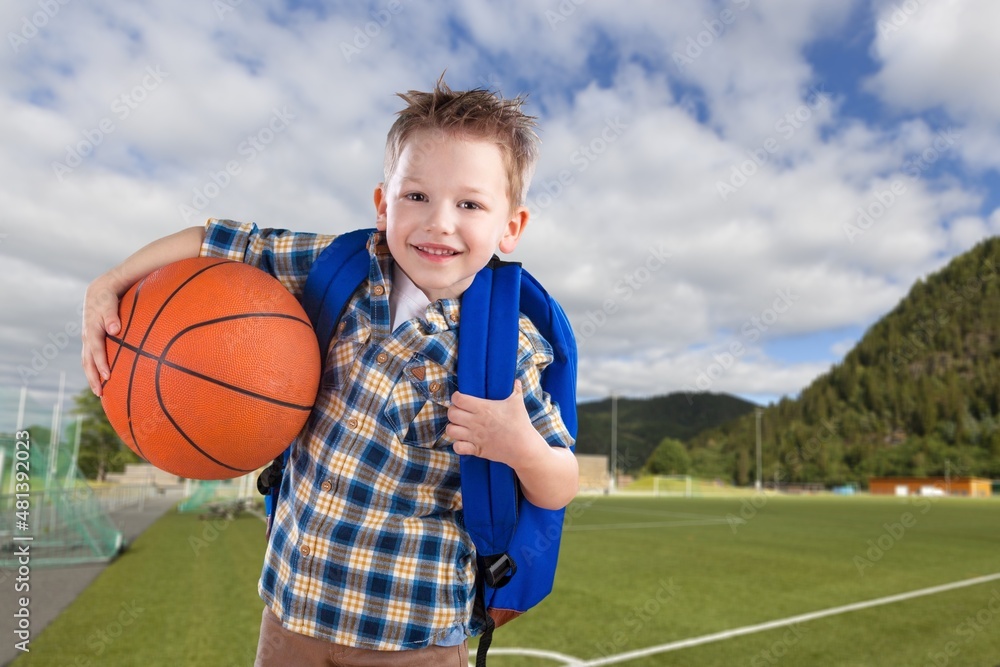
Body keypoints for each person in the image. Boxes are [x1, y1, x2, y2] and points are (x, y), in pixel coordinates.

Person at [81, 77, 578, 666]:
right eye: (416, 196)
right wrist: (110, 282)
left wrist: (519, 446)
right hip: (292, 606)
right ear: (383, 203)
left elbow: (560, 483)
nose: (439, 222)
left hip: (412, 633)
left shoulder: (507, 348)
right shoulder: (340, 268)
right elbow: (214, 241)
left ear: (510, 227)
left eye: (469, 204)